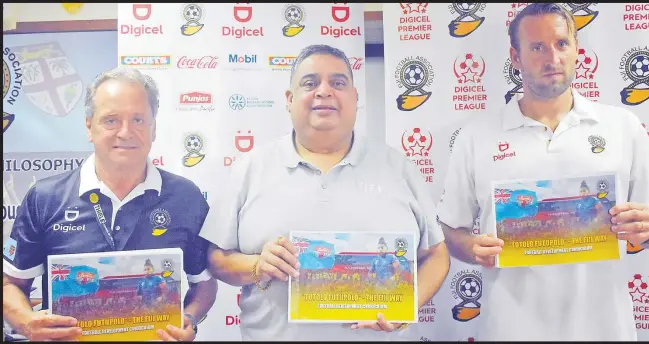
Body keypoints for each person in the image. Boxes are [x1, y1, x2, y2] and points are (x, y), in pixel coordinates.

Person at [438, 3, 649, 341]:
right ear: (515, 58)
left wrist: (648, 229)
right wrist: (469, 247)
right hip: (510, 329)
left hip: (605, 329)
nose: (552, 58)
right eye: (537, 47)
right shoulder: (477, 136)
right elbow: (448, 230)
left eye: (561, 44)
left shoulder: (623, 127)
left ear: (577, 51)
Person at [201, 44, 449, 341]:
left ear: (355, 99)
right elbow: (217, 259)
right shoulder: (249, 168)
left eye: (338, 83)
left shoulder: (399, 168)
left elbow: (437, 254)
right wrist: (257, 266)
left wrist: (407, 307)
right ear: (289, 100)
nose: (324, 91)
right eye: (310, 83)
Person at [2, 67, 218, 342]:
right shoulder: (46, 197)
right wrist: (26, 322)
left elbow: (205, 283)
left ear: (153, 129)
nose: (126, 132)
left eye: (138, 119)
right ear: (89, 126)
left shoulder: (186, 197)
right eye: (111, 120)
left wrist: (189, 319)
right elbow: (10, 283)